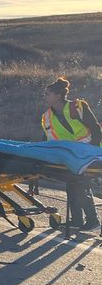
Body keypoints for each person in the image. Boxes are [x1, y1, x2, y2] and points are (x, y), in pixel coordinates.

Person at [42, 77, 101, 230]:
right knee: (72, 185)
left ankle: (93, 221)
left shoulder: (78, 107)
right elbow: (49, 140)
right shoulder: (47, 117)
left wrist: (91, 151)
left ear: (58, 95)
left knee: (80, 184)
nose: (44, 96)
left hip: (90, 154)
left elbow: (95, 129)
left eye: (48, 94)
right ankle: (77, 221)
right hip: (70, 157)